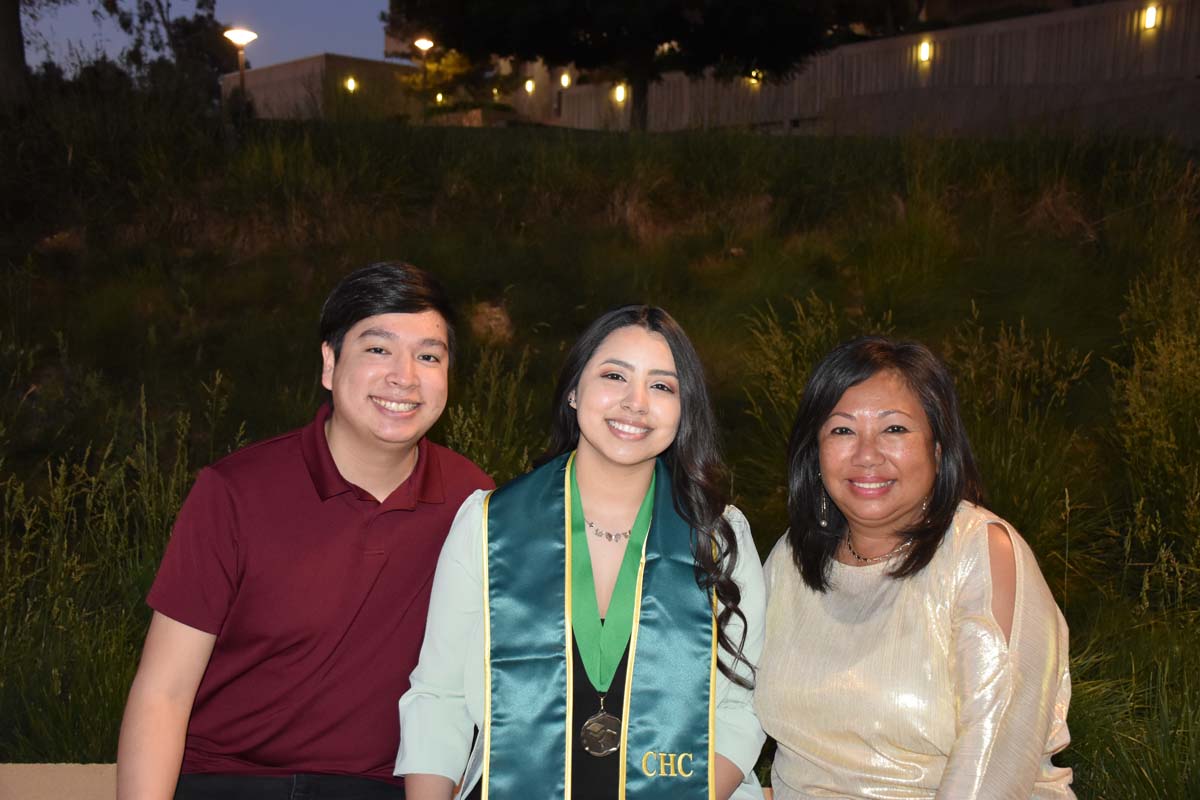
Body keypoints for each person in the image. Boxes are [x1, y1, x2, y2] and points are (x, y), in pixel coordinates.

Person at [117, 262, 494, 800]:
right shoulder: (235, 492)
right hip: (229, 778)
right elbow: (164, 691)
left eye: (428, 356)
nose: (404, 376)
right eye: (378, 349)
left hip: (379, 786)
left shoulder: (471, 501)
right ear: (329, 363)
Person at [396, 305, 767, 800]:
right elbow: (439, 697)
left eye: (661, 386)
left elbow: (742, 706)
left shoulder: (719, 537)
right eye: (614, 375)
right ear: (574, 390)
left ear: (684, 410)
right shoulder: (489, 525)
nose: (635, 403)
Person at [755, 336, 1074, 799]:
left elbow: (994, 763)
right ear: (815, 452)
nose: (867, 454)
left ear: (939, 447)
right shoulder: (790, 559)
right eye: (842, 431)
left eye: (895, 430)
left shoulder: (981, 552)